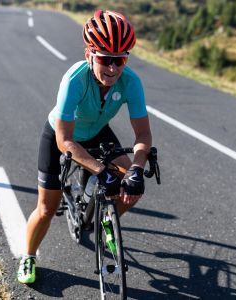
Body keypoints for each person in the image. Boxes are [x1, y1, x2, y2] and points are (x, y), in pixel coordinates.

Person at [17, 10, 152, 284]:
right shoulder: (74, 80)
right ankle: (28, 256)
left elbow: (143, 135)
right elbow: (65, 140)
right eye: (105, 59)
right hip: (61, 136)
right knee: (46, 208)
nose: (113, 68)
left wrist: (137, 168)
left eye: (120, 59)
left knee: (130, 187)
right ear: (89, 54)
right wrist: (101, 170)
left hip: (97, 132)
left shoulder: (131, 82)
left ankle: (105, 222)